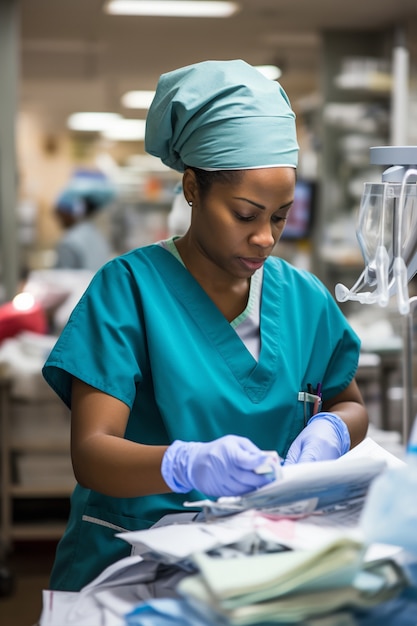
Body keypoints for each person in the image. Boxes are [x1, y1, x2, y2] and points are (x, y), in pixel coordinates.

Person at [42, 59, 368, 592]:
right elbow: (93, 452)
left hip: (261, 566)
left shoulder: (303, 298)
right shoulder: (128, 290)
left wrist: (331, 430)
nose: (265, 237)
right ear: (193, 188)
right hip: (130, 569)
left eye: (281, 216)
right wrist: (184, 464)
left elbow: (349, 403)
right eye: (246, 214)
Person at [53, 168, 115, 271]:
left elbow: (61, 281)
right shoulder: (98, 237)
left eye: (61, 215)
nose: (60, 221)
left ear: (75, 211)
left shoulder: (70, 242)